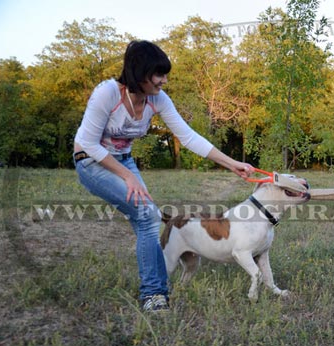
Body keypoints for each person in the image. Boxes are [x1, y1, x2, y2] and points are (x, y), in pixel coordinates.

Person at [73, 40, 253, 312]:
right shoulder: (107, 94)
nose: (164, 80)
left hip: (123, 160)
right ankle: (154, 295)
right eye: (159, 74)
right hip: (90, 161)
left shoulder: (157, 99)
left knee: (148, 219)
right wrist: (128, 177)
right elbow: (88, 143)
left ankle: (157, 281)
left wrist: (231, 164)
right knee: (146, 215)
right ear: (139, 72)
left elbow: (188, 136)